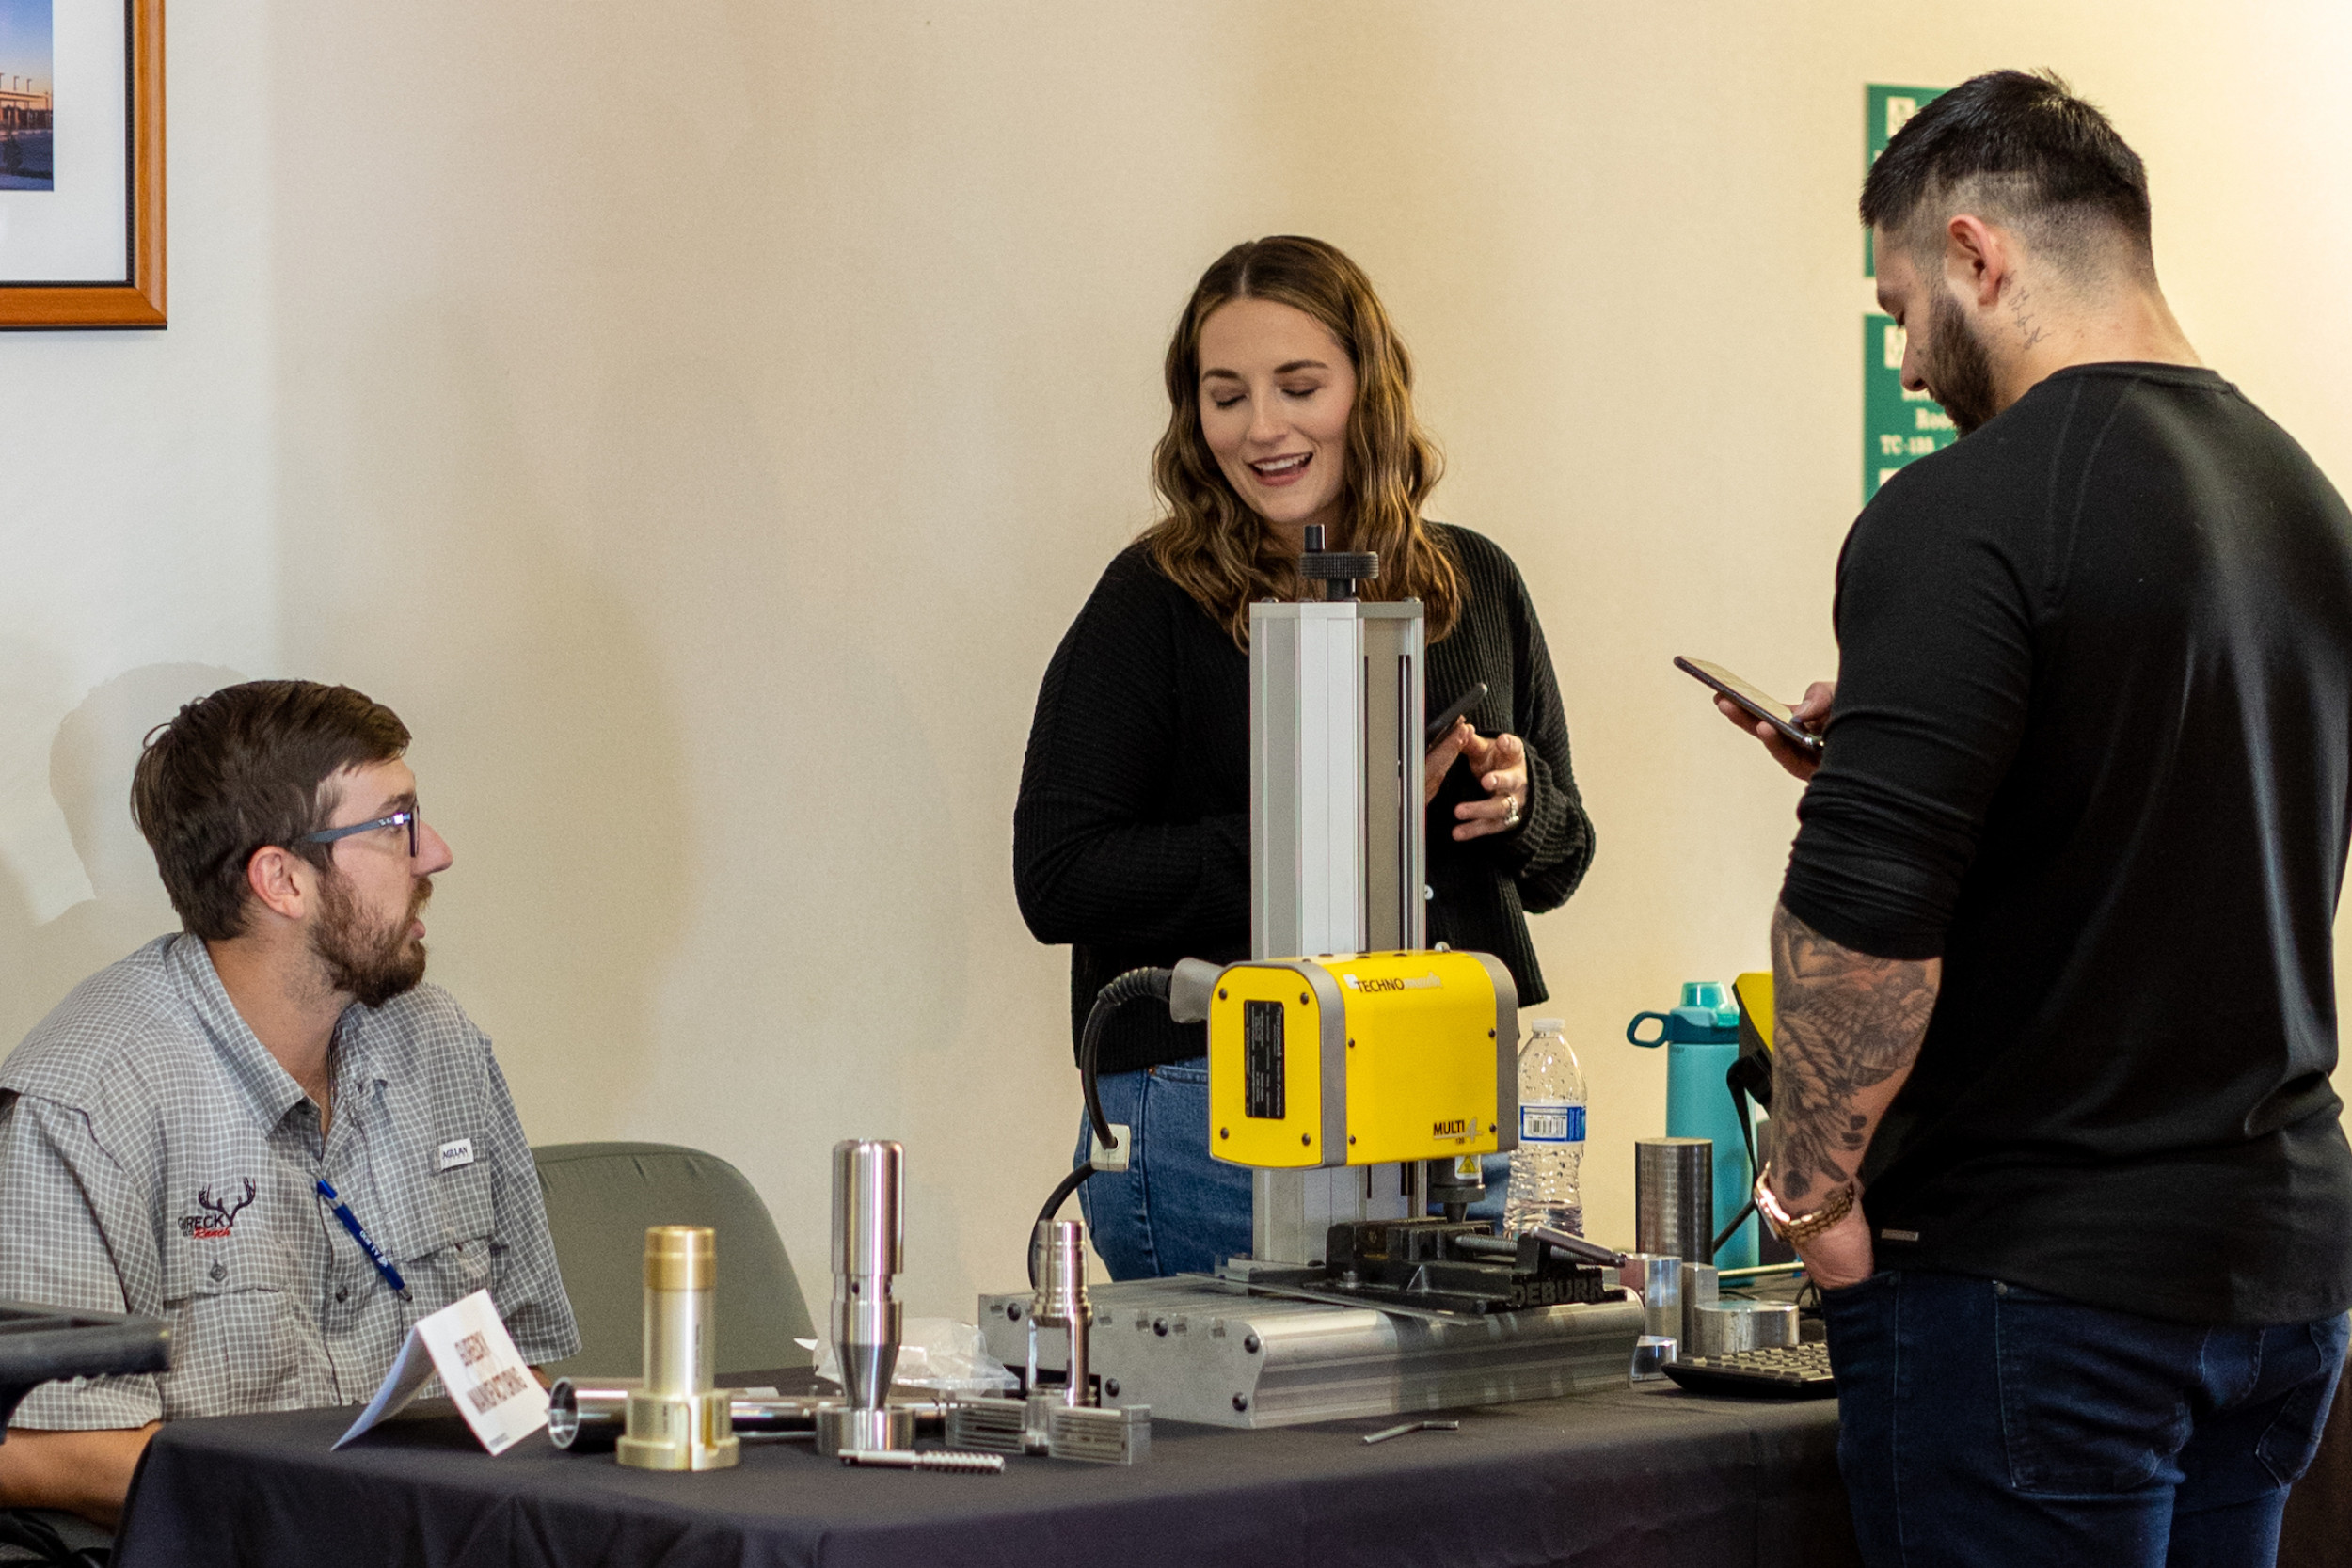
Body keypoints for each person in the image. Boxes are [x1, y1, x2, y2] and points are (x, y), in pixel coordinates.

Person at [1720, 71, 2352, 1565]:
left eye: (1900, 305)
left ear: (1976, 254)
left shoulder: (1964, 509)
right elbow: (2184, 832)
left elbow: (1857, 923)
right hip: (2277, 1272)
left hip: (2038, 1295)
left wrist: (1812, 1196)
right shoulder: (2306, 507)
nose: (1908, 351)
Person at [1014, 235, 1597, 1279]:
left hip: (1448, 1105)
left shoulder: (1474, 583)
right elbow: (1058, 875)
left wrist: (1521, 804)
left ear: (1368, 391)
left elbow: (1560, 863)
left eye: (1298, 385)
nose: (1262, 427)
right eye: (1225, 394)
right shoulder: (1152, 601)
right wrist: (1331, 826)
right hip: (1210, 1111)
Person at [0, 680, 579, 1528]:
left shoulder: (441, 1044)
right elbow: (30, 1444)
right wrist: (313, 1509)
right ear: (281, 879)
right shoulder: (86, 1101)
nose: (436, 852)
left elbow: (523, 1364)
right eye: (396, 825)